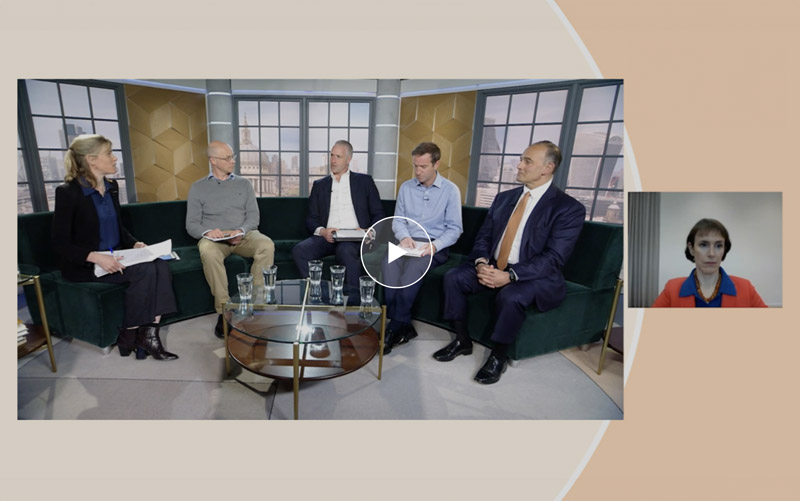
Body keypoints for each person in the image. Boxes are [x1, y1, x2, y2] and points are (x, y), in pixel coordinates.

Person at [434, 141, 586, 384]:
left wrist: (511, 276)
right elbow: (484, 237)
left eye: (527, 161)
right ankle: (462, 340)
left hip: (535, 275)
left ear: (547, 168)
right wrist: (481, 263)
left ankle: (498, 355)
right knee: (454, 277)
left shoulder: (568, 208)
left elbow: (554, 257)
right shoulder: (504, 198)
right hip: (494, 264)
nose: (519, 165)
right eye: (521, 159)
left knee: (511, 296)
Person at [52, 134, 178, 361]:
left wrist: (135, 243)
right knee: (145, 270)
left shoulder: (112, 187)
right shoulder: (68, 192)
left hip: (116, 256)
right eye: (109, 153)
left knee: (160, 265)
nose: (115, 158)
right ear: (91, 160)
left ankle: (148, 335)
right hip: (86, 265)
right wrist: (96, 257)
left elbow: (118, 227)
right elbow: (60, 243)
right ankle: (130, 333)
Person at [186, 141, 275, 338]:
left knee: (266, 245)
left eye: (232, 156)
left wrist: (241, 230)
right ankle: (224, 310)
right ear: (213, 161)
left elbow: (253, 217)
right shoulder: (198, 188)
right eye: (227, 158)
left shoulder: (244, 184)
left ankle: (254, 304)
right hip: (215, 240)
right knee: (207, 251)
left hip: (244, 235)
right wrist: (208, 232)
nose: (232, 161)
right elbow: (191, 224)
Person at [382, 142, 463, 354]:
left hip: (433, 244)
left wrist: (434, 246)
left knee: (412, 269)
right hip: (407, 241)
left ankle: (393, 327)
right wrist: (404, 237)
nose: (418, 171)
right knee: (388, 262)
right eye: (415, 166)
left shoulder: (450, 191)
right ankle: (402, 324)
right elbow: (398, 221)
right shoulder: (406, 188)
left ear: (436, 164)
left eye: (423, 166)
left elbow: (455, 229)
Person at [292, 140, 384, 290]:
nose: (333, 161)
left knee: (345, 251)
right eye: (332, 155)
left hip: (354, 237)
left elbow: (378, 212)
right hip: (328, 237)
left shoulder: (364, 182)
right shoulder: (319, 185)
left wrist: (370, 231)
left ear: (348, 159)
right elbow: (311, 218)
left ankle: (353, 300)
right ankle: (318, 294)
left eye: (338, 157)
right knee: (300, 250)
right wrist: (323, 231)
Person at [652, 218, 767, 307]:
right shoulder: (672, 290)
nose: (711, 253)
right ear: (691, 249)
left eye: (718, 246)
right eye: (703, 245)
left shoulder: (746, 289)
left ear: (724, 249)